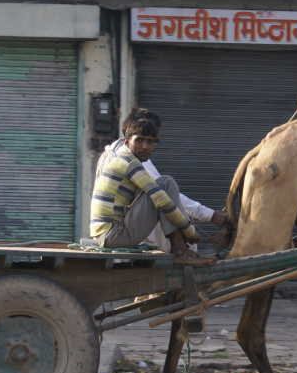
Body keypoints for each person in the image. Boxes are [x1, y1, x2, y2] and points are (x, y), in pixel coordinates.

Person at [91, 109, 227, 264]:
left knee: (163, 188)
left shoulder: (114, 153)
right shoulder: (128, 161)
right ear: (127, 139)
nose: (145, 147)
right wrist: (191, 231)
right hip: (114, 233)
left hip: (111, 230)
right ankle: (180, 251)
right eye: (140, 140)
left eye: (150, 141)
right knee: (165, 183)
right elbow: (161, 197)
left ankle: (181, 249)